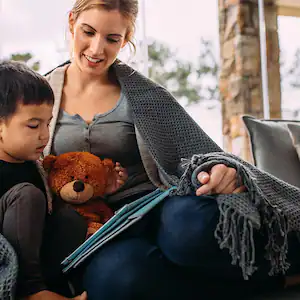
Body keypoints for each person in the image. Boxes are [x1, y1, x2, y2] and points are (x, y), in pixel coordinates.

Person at [44, 0, 300, 299]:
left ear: (126, 40)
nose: (97, 48)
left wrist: (219, 170)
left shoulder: (146, 95)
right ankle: (275, 282)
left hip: (160, 204)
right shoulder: (40, 94)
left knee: (189, 230)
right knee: (117, 280)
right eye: (88, 32)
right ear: (72, 22)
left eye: (112, 39)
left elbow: (200, 155)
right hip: (101, 229)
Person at [0, 61, 87, 300]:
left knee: (69, 218)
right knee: (27, 195)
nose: (44, 135)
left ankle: (61, 285)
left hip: (39, 259)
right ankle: (32, 292)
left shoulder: (36, 168)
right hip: (7, 263)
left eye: (48, 123)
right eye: (33, 125)